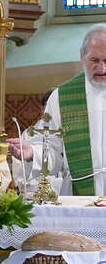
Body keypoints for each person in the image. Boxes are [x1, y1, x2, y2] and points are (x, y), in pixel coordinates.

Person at [8, 23, 106, 196]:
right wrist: (33, 153)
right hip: (80, 196)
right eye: (95, 60)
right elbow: (51, 147)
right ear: (82, 56)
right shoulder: (63, 97)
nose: (102, 68)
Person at [9, 89, 63, 197]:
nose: (53, 110)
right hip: (35, 190)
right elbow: (21, 169)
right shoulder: (29, 134)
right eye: (49, 106)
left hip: (63, 189)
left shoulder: (66, 130)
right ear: (42, 109)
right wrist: (31, 156)